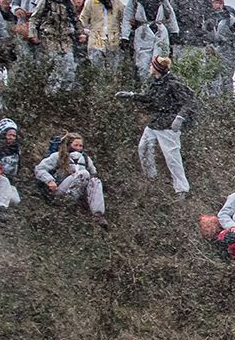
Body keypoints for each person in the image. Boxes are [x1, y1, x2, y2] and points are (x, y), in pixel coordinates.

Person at [120, 55, 193, 195]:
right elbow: (149, 98)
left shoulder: (173, 84)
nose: (149, 67)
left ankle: (181, 189)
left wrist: (180, 117)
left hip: (168, 125)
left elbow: (189, 101)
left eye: (151, 65)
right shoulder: (156, 83)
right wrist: (132, 95)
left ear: (156, 68)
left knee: (172, 157)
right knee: (144, 147)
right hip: (156, 122)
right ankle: (151, 178)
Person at [34, 132, 106, 225]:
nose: (78, 148)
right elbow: (39, 169)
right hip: (61, 188)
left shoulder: (85, 158)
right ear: (68, 145)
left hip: (81, 190)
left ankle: (98, 214)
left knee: (95, 181)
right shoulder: (58, 156)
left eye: (80, 146)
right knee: (83, 174)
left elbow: (93, 173)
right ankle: (67, 202)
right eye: (75, 145)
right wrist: (49, 181)